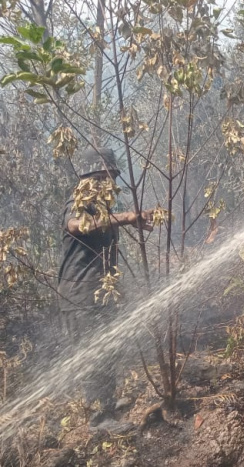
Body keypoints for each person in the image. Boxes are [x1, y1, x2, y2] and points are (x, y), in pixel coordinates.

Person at [57, 146, 153, 428]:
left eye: (111, 177)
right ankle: (99, 419)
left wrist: (130, 220)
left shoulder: (103, 208)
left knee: (108, 351)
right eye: (102, 177)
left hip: (101, 293)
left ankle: (108, 405)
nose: (108, 184)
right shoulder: (76, 202)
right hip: (80, 295)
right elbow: (75, 226)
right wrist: (125, 218)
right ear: (87, 178)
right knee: (92, 353)